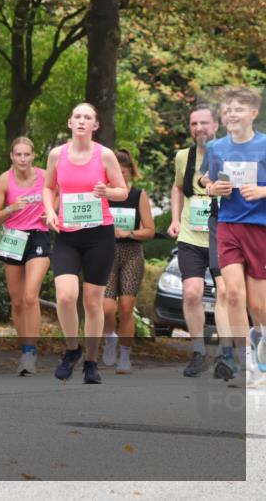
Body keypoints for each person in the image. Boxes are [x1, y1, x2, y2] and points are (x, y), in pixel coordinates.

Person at [43, 103, 128, 384]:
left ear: (95, 125)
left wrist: (107, 191)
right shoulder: (57, 154)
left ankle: (91, 362)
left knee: (93, 303)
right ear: (70, 123)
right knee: (66, 296)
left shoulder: (104, 156)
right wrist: (51, 211)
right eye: (77, 116)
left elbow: (121, 191)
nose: (82, 121)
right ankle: (71, 349)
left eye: (88, 117)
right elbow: (48, 186)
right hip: (67, 235)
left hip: (98, 235)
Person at [201, 86, 266, 386]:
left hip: (259, 228)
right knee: (234, 294)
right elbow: (207, 181)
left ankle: (261, 347)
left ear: (253, 113)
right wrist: (213, 188)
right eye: (227, 110)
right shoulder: (216, 148)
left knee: (258, 306)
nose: (231, 114)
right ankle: (247, 363)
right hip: (227, 226)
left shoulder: (265, 145)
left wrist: (263, 191)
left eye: (238, 109)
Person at [0, 137, 50, 376]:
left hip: (39, 236)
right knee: (17, 301)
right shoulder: (4, 180)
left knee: (30, 296)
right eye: (18, 155)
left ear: (34, 155)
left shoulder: (45, 176)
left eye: (27, 154)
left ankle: (30, 353)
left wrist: (51, 216)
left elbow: (60, 201)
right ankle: (25, 349)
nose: (23, 159)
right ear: (12, 156)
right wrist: (11, 208)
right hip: (13, 237)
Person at [167, 105, 220, 377]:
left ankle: (228, 352)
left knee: (228, 295)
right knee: (191, 293)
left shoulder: (229, 154)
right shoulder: (182, 157)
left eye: (203, 123)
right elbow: (177, 187)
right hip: (190, 236)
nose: (198, 128)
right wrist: (175, 219)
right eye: (193, 123)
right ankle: (198, 351)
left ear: (216, 126)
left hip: (222, 236)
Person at [101, 149, 155, 374]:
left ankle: (125, 356)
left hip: (131, 253)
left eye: (123, 173)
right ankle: (110, 337)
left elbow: (150, 230)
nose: (119, 177)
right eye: (115, 173)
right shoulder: (103, 194)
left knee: (125, 307)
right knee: (107, 307)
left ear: (131, 173)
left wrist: (129, 233)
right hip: (106, 253)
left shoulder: (138, 195)